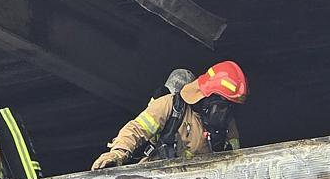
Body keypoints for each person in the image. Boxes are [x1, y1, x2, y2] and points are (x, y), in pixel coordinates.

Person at [91, 61, 247, 170]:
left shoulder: (226, 124)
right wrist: (117, 153)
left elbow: (235, 160)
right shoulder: (171, 106)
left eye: (229, 107)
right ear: (207, 96)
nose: (225, 114)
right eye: (221, 106)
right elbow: (137, 129)